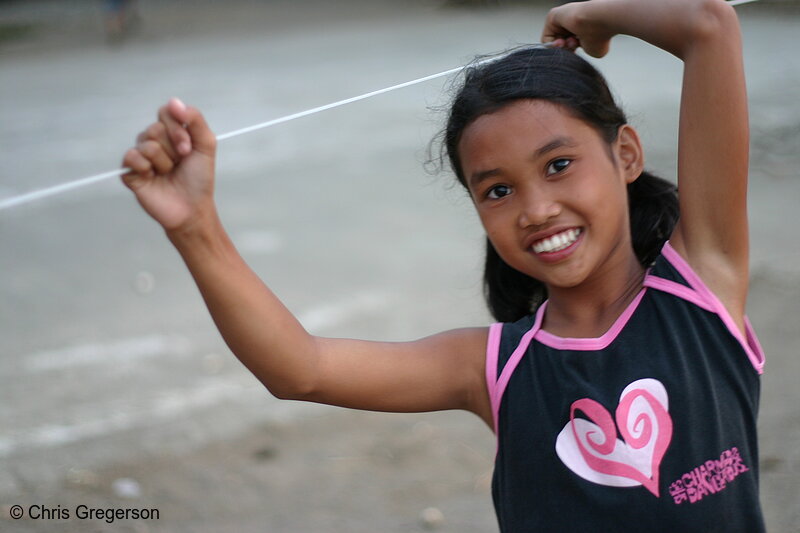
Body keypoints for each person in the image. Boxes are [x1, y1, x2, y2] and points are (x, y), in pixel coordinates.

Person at [120, 0, 764, 530]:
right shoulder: (495, 368)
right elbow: (303, 369)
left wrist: (593, 16)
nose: (536, 209)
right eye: (498, 190)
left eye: (559, 165)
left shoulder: (700, 287)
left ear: (625, 154)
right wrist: (194, 226)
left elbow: (709, 26)